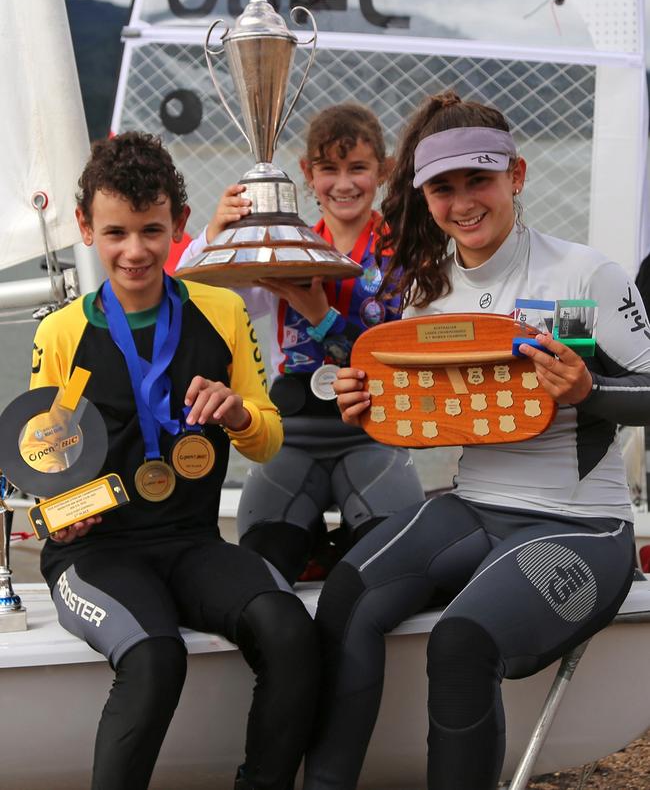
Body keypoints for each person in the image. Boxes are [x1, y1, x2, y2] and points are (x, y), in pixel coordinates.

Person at [303, 91, 650, 790]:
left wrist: (589, 393)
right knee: (347, 595)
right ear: (424, 196)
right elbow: (418, 415)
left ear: (516, 176)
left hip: (581, 525)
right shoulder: (428, 295)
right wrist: (365, 403)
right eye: (443, 187)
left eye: (479, 180)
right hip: (476, 506)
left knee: (461, 642)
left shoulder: (585, 273)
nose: (463, 202)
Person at [30, 132, 320, 790]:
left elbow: (269, 440)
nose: (135, 251)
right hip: (96, 554)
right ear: (85, 227)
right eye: (116, 233)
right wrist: (61, 516)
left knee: (289, 630)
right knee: (157, 658)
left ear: (180, 225)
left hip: (190, 541)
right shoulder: (64, 332)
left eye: (151, 230)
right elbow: (43, 466)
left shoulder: (221, 310)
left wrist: (240, 414)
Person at [178, 103, 424, 584]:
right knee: (264, 565)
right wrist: (215, 232)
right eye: (329, 169)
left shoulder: (405, 253)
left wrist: (321, 316)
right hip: (293, 435)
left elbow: (406, 361)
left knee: (390, 567)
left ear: (384, 170)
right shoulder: (283, 248)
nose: (344, 183)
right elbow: (194, 294)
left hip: (375, 432)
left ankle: (333, 550)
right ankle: (316, 547)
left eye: (358, 168)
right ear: (308, 175)